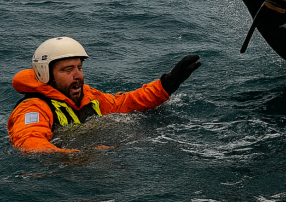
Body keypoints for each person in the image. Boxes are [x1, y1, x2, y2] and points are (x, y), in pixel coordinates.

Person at [7, 37, 201, 153]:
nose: (78, 76)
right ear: (45, 74)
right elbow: (30, 143)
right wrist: (77, 156)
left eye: (79, 67)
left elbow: (125, 104)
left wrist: (166, 86)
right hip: (64, 176)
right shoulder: (33, 108)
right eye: (68, 70)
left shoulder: (89, 96)